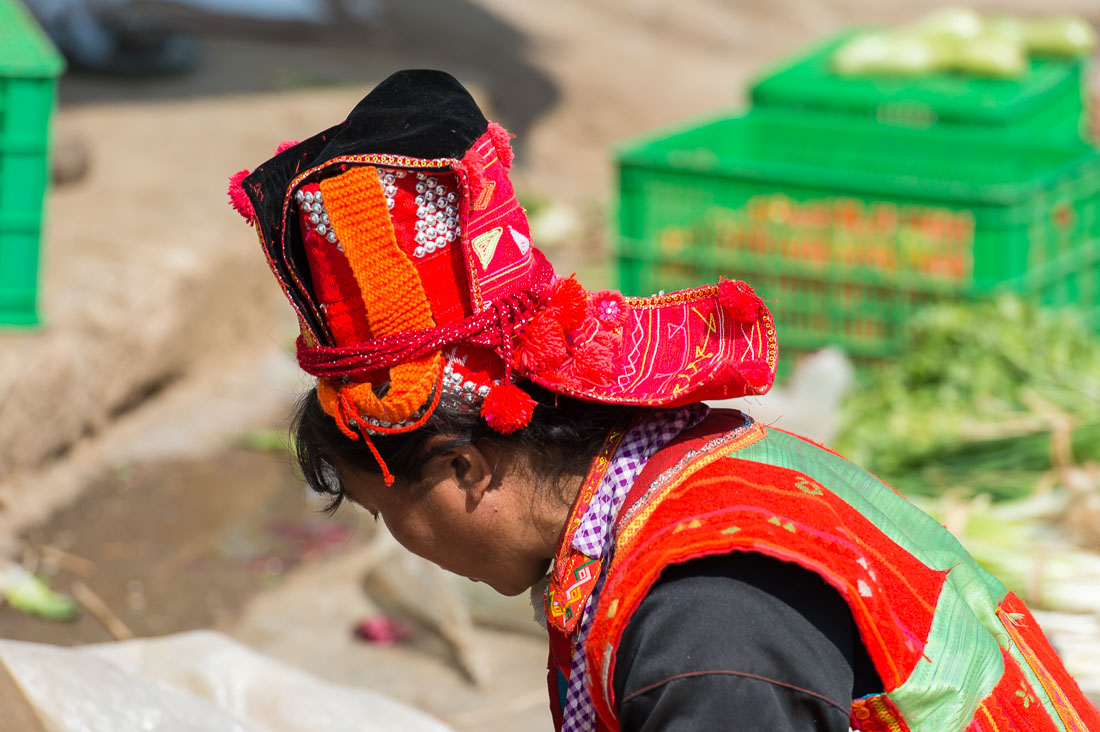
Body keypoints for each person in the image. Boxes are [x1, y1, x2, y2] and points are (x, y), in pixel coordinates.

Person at [228, 70, 1100, 731]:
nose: (406, 546)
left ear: (465, 468)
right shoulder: (688, 475)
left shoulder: (701, 636)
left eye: (388, 513)